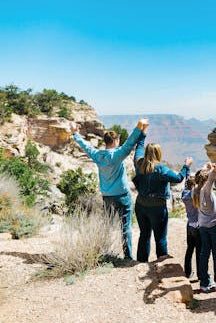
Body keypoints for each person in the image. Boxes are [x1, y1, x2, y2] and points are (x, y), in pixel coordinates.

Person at [71, 118, 148, 260]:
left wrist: (75, 134)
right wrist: (139, 126)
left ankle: (104, 252)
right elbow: (130, 142)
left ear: (105, 141)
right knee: (126, 227)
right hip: (122, 195)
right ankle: (128, 256)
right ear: (116, 141)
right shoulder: (117, 155)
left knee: (107, 225)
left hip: (107, 196)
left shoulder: (97, 155)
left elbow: (86, 146)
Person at [132, 130, 192, 262]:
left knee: (144, 235)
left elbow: (138, 149)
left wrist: (142, 134)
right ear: (159, 154)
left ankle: (141, 262)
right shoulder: (161, 169)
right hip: (157, 208)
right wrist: (186, 166)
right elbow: (178, 178)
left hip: (141, 205)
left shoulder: (139, 164)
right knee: (160, 237)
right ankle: (162, 262)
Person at [193, 162, 216, 293]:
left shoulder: (195, 190)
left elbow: (199, 176)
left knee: (204, 253)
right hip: (214, 225)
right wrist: (215, 170)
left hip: (203, 226)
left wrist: (205, 167)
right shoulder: (206, 191)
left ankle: (204, 282)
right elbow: (211, 179)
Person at [181, 176, 201, 281]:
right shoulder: (196, 196)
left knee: (189, 249)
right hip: (198, 226)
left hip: (189, 225)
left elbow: (186, 187)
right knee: (199, 251)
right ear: (193, 186)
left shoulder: (184, 195)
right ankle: (200, 273)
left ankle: (187, 272)